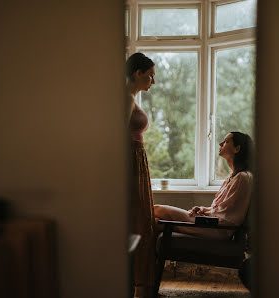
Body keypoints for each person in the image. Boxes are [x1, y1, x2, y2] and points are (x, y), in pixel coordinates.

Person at [154, 131, 253, 239]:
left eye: (226, 141)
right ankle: (147, 255)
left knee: (157, 209)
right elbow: (225, 209)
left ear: (237, 149)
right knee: (156, 222)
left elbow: (227, 218)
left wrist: (205, 215)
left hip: (216, 229)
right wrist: (204, 209)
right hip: (211, 224)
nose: (220, 144)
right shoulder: (232, 177)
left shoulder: (242, 178)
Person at [126, 52, 156, 298]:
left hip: (136, 161)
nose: (152, 81)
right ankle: (137, 288)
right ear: (138, 73)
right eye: (150, 75)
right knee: (138, 225)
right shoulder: (124, 98)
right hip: (130, 163)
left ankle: (138, 287)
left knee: (141, 224)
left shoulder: (131, 98)